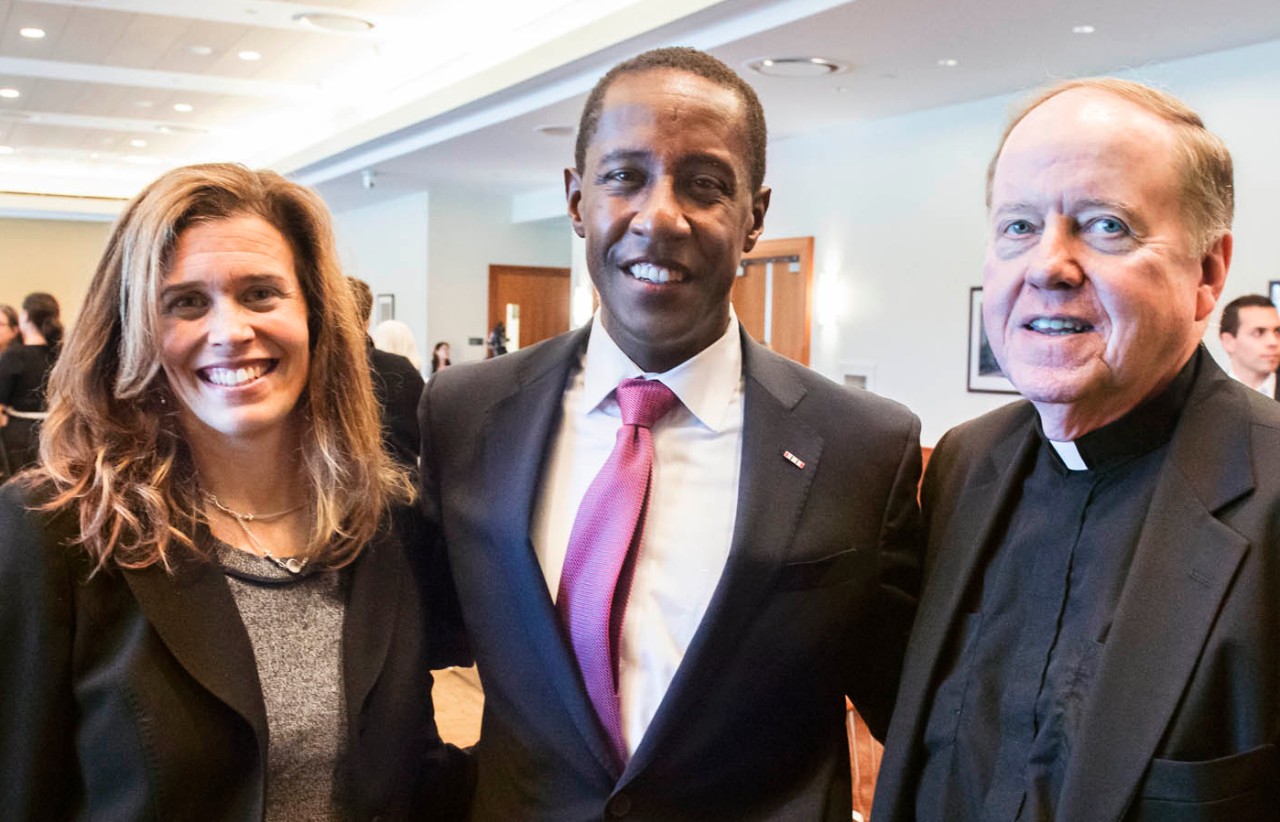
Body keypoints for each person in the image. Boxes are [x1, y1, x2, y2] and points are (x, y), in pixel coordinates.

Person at [419, 47, 922, 820]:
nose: (660, 215)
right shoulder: (466, 414)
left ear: (754, 215)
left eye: (705, 185)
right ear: (576, 198)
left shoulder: (862, 445)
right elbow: (406, 641)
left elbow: (917, 716)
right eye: (624, 176)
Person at [0, 163, 470, 820]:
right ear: (135, 329)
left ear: (313, 314)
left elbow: (407, 769)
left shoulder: (382, 525)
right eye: (186, 302)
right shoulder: (57, 532)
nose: (229, 331)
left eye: (260, 294)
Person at [874, 79, 1280, 820]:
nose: (1047, 266)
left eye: (1106, 227)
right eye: (1019, 227)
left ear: (1208, 274)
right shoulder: (963, 467)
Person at [350, 278, 426, 468]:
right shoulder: (400, 370)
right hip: (399, 491)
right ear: (366, 322)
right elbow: (424, 439)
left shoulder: (307, 372)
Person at [0, 292, 62, 480]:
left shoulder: (15, 355)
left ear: (24, 317)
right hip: (55, 431)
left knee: (19, 491)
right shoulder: (60, 353)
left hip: (19, 436)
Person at [1219, 294, 1280, 398]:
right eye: (1258, 333)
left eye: (1277, 332)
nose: (1273, 342)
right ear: (1228, 342)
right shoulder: (1203, 396)